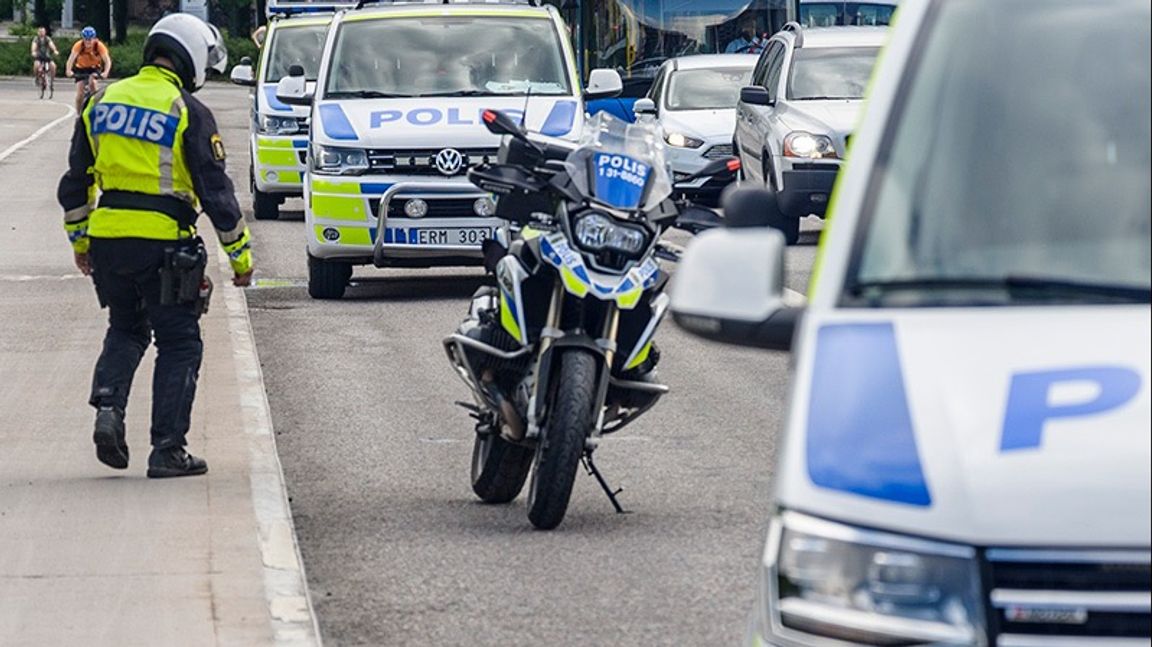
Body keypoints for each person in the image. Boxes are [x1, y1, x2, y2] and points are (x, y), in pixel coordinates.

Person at [56, 13, 255, 478]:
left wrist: (81, 242)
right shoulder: (186, 109)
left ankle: (109, 407)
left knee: (125, 327)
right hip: (164, 246)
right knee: (180, 342)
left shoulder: (101, 100)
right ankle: (167, 450)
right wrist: (241, 257)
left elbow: (75, 182)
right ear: (191, 58)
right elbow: (216, 192)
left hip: (108, 242)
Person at [66, 26, 112, 114]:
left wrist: (105, 72)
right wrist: (68, 71)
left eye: (90, 39)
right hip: (81, 68)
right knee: (80, 93)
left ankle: (96, 107)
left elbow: (107, 61)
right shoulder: (79, 45)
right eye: (85, 39)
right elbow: (71, 59)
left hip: (94, 68)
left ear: (94, 39)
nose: (88, 42)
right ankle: (79, 113)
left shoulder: (99, 46)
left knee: (93, 83)